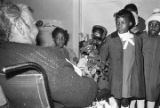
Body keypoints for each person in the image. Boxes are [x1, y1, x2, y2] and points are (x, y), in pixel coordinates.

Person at [0, 2, 97, 108]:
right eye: (34, 24)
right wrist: (90, 77)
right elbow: (83, 95)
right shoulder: (42, 57)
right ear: (20, 27)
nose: (37, 30)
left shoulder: (4, 53)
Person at [99, 9, 145, 108]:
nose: (119, 25)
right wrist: (101, 67)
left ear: (130, 23)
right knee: (116, 101)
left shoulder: (136, 39)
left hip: (130, 77)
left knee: (126, 100)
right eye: (117, 23)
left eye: (123, 23)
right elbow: (102, 57)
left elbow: (139, 59)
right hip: (116, 77)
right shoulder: (110, 39)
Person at [141, 8, 160, 108]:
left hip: (155, 77)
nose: (153, 27)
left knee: (152, 97)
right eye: (151, 24)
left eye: (156, 25)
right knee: (139, 97)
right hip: (141, 75)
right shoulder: (141, 37)